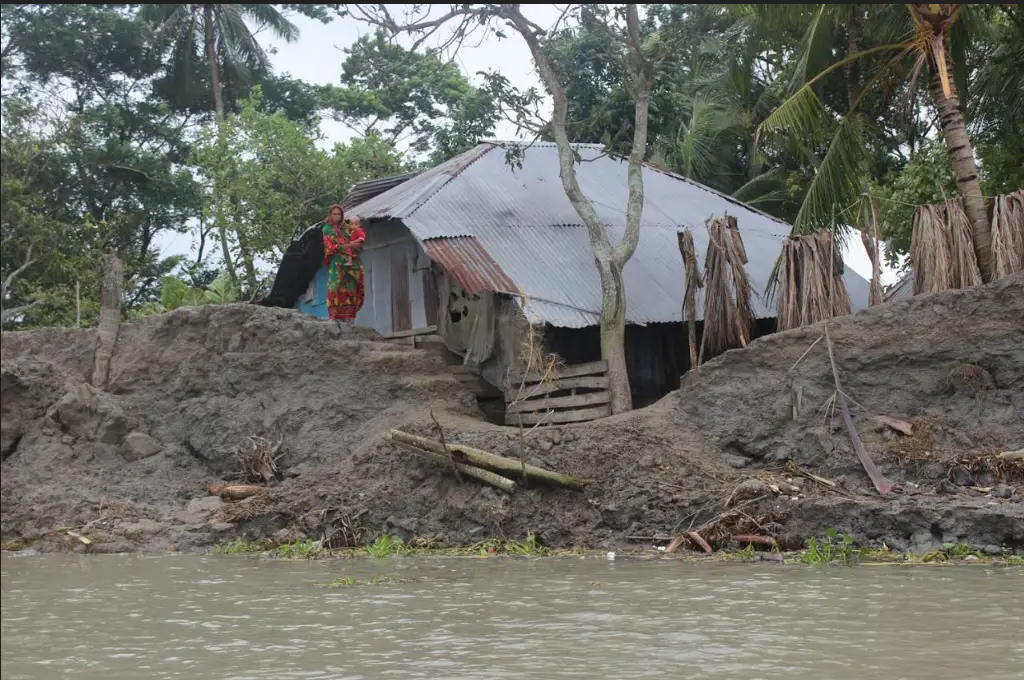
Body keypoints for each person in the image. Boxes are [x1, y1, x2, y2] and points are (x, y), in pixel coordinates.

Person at [321, 204, 367, 324]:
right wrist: (351, 245)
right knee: (335, 286)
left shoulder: (346, 228)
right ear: (330, 215)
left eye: (339, 214)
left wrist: (357, 245)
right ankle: (334, 316)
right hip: (336, 262)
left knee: (351, 287)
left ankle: (349, 317)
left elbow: (357, 242)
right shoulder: (327, 229)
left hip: (351, 261)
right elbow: (332, 247)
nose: (337, 216)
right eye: (334, 214)